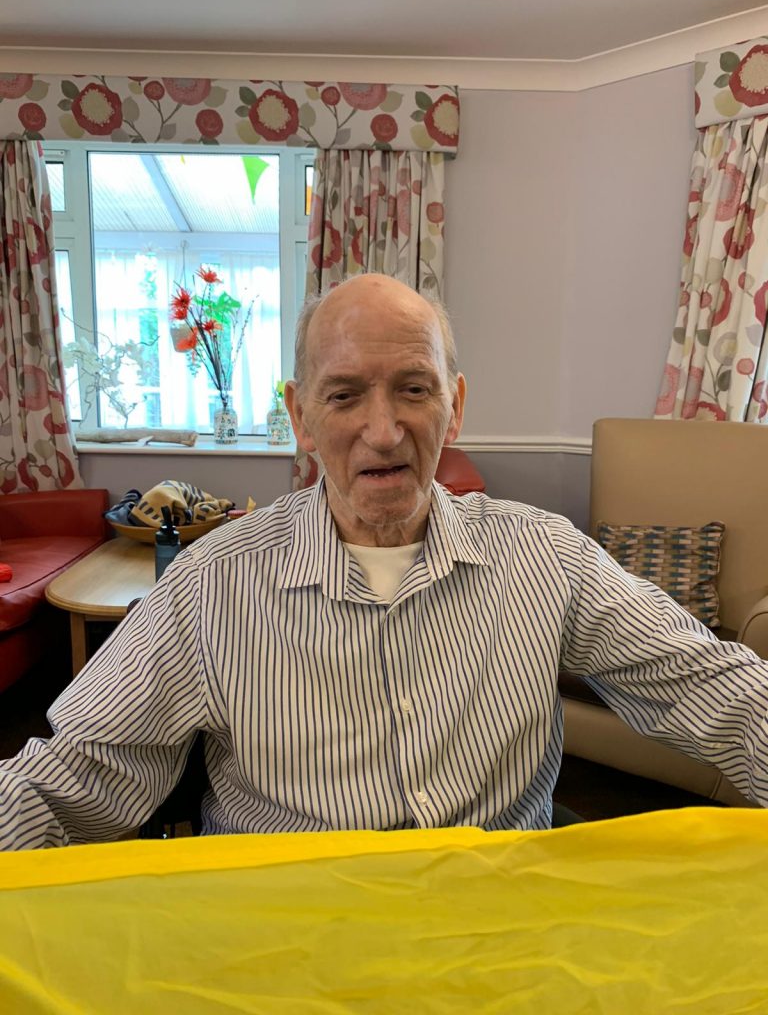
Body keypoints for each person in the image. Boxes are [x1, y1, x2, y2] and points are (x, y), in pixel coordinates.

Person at [1, 274, 767, 850]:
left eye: (413, 389)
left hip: (493, 926)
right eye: (343, 396)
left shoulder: (548, 557)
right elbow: (72, 775)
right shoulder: (211, 584)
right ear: (300, 416)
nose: (385, 431)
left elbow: (717, 690)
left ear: (455, 405)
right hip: (287, 933)